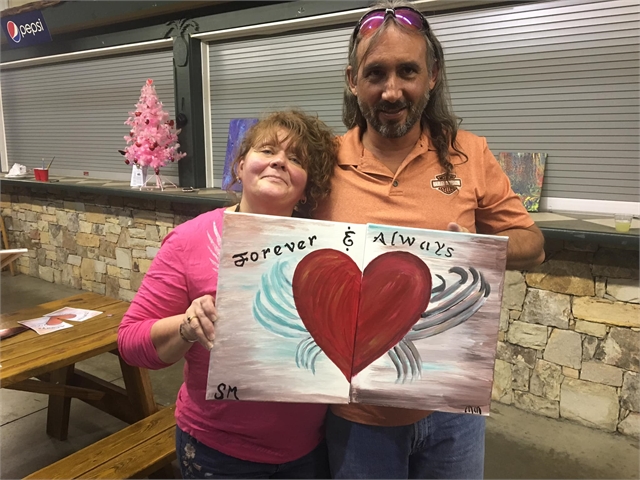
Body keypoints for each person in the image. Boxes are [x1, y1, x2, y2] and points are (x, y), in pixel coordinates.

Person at [313, 1, 545, 478]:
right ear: (352, 80)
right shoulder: (321, 161)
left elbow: (533, 242)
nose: (392, 90)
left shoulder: (469, 153)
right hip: (357, 416)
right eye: (375, 73)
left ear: (433, 75)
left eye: (408, 71)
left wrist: (477, 251)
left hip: (452, 410)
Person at [118, 110, 337, 479]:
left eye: (296, 159)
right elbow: (130, 341)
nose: (279, 161)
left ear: (307, 185)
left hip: (310, 451)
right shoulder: (191, 240)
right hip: (218, 454)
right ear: (240, 166)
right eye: (267, 150)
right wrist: (186, 326)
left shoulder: (330, 250)